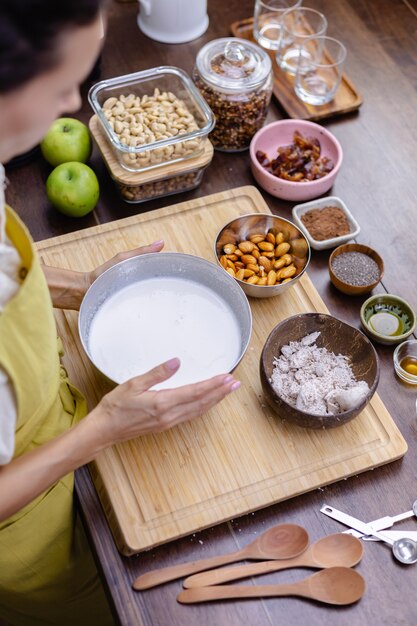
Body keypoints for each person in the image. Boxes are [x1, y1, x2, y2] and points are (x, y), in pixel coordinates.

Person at [0, 2, 240, 624]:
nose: (72, 109)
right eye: (61, 87)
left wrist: (86, 285)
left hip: (56, 406)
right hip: (33, 532)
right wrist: (106, 428)